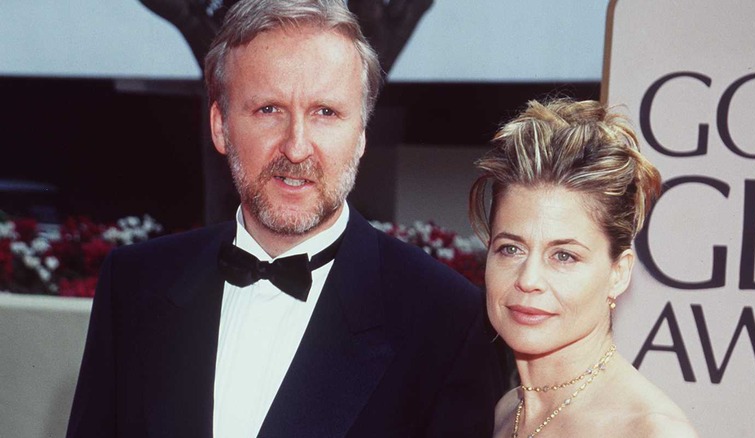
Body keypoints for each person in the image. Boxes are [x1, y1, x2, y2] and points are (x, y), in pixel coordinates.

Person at [66, 1, 503, 437]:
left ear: (362, 134)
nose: (296, 148)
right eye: (269, 110)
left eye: (326, 112)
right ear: (220, 125)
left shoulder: (445, 319)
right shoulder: (135, 285)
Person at [469, 99, 699, 437]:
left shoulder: (651, 431)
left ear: (618, 273)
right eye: (511, 249)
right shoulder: (507, 412)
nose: (529, 279)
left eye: (564, 256)